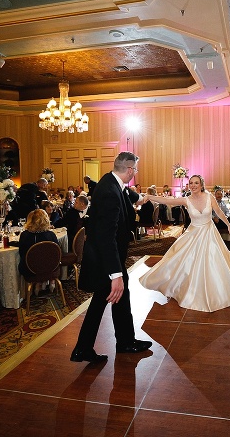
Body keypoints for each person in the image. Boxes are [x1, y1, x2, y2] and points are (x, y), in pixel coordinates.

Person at [71, 152, 152, 363]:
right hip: (105, 259)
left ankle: (120, 342)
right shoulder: (109, 191)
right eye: (135, 170)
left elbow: (127, 193)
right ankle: (90, 347)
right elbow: (106, 237)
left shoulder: (111, 181)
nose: (135, 174)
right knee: (108, 298)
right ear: (129, 170)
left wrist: (141, 198)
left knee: (112, 299)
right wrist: (115, 274)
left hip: (105, 258)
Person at [139, 175, 230, 311]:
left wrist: (229, 225)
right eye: (191, 183)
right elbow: (166, 201)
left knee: (213, 262)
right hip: (193, 234)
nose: (193, 185)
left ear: (201, 184)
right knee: (186, 262)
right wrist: (150, 197)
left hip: (209, 233)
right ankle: (190, 290)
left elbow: (219, 211)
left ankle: (218, 292)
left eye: (196, 183)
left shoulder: (209, 196)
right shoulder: (186, 200)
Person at [18, 209, 60, 288]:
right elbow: (57, 253)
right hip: (50, 268)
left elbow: (22, 253)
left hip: (30, 270)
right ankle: (50, 280)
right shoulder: (51, 235)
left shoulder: (24, 235)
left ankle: (38, 284)